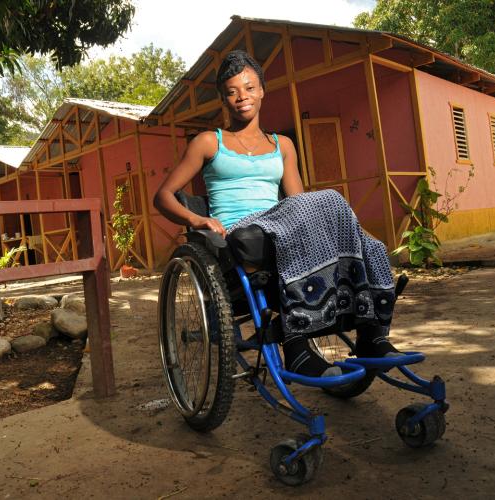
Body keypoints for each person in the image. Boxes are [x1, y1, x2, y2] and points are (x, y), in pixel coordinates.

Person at [154, 50, 401, 378]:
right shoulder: (208, 142)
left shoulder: (282, 145)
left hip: (283, 225)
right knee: (328, 198)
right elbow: (163, 196)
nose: (242, 97)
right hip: (240, 233)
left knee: (371, 246)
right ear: (223, 99)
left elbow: (299, 202)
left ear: (262, 91)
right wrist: (196, 220)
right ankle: (297, 349)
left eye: (250, 88)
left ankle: (372, 335)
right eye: (232, 91)